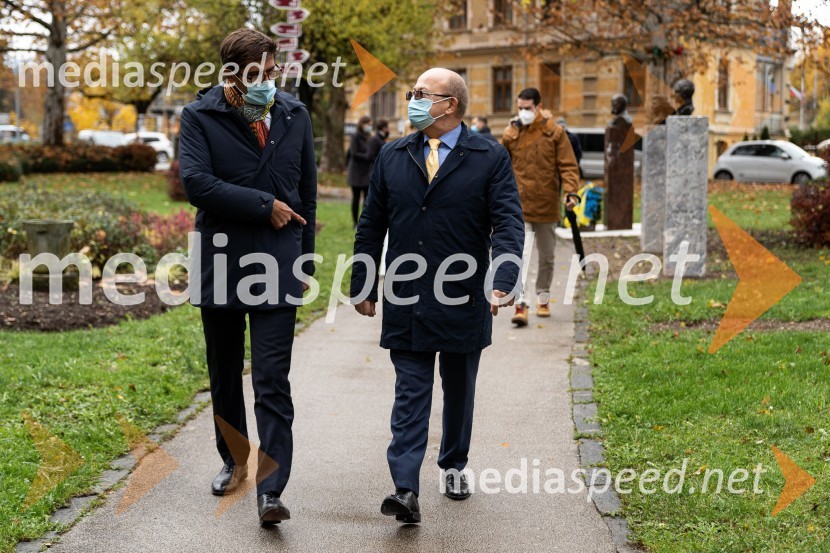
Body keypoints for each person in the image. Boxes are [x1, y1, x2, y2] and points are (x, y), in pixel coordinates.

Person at [351, 68, 524, 524]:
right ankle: (405, 487)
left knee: (459, 387)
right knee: (410, 391)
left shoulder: (489, 156)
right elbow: (372, 224)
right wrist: (364, 282)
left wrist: (503, 279)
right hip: (407, 294)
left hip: (465, 294)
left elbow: (508, 222)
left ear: (450, 104)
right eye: (413, 93)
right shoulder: (393, 154)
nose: (413, 100)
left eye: (421, 94)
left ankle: (453, 464)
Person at [178, 28, 317, 526]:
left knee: (272, 378)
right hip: (222, 262)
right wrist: (264, 207)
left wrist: (306, 261)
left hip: (280, 263)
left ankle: (270, 488)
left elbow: (306, 195)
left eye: (272, 70)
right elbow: (196, 183)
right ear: (232, 73)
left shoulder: (294, 115)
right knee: (224, 372)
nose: (268, 80)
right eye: (257, 73)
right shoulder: (199, 116)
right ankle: (233, 459)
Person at [501, 88, 579, 327]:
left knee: (547, 257)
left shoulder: (554, 132)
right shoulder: (510, 133)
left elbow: (568, 165)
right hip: (519, 207)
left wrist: (571, 192)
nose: (523, 112)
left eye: (527, 108)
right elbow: (499, 169)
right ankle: (520, 303)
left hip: (546, 206)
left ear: (538, 106)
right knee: (519, 257)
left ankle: (543, 298)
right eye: (520, 107)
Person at [347, 115, 375, 227]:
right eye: (368, 124)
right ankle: (355, 222)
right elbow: (353, 153)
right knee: (356, 198)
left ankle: (364, 221)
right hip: (356, 172)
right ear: (362, 124)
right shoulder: (355, 136)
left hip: (367, 172)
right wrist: (367, 157)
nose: (369, 126)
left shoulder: (369, 136)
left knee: (366, 199)